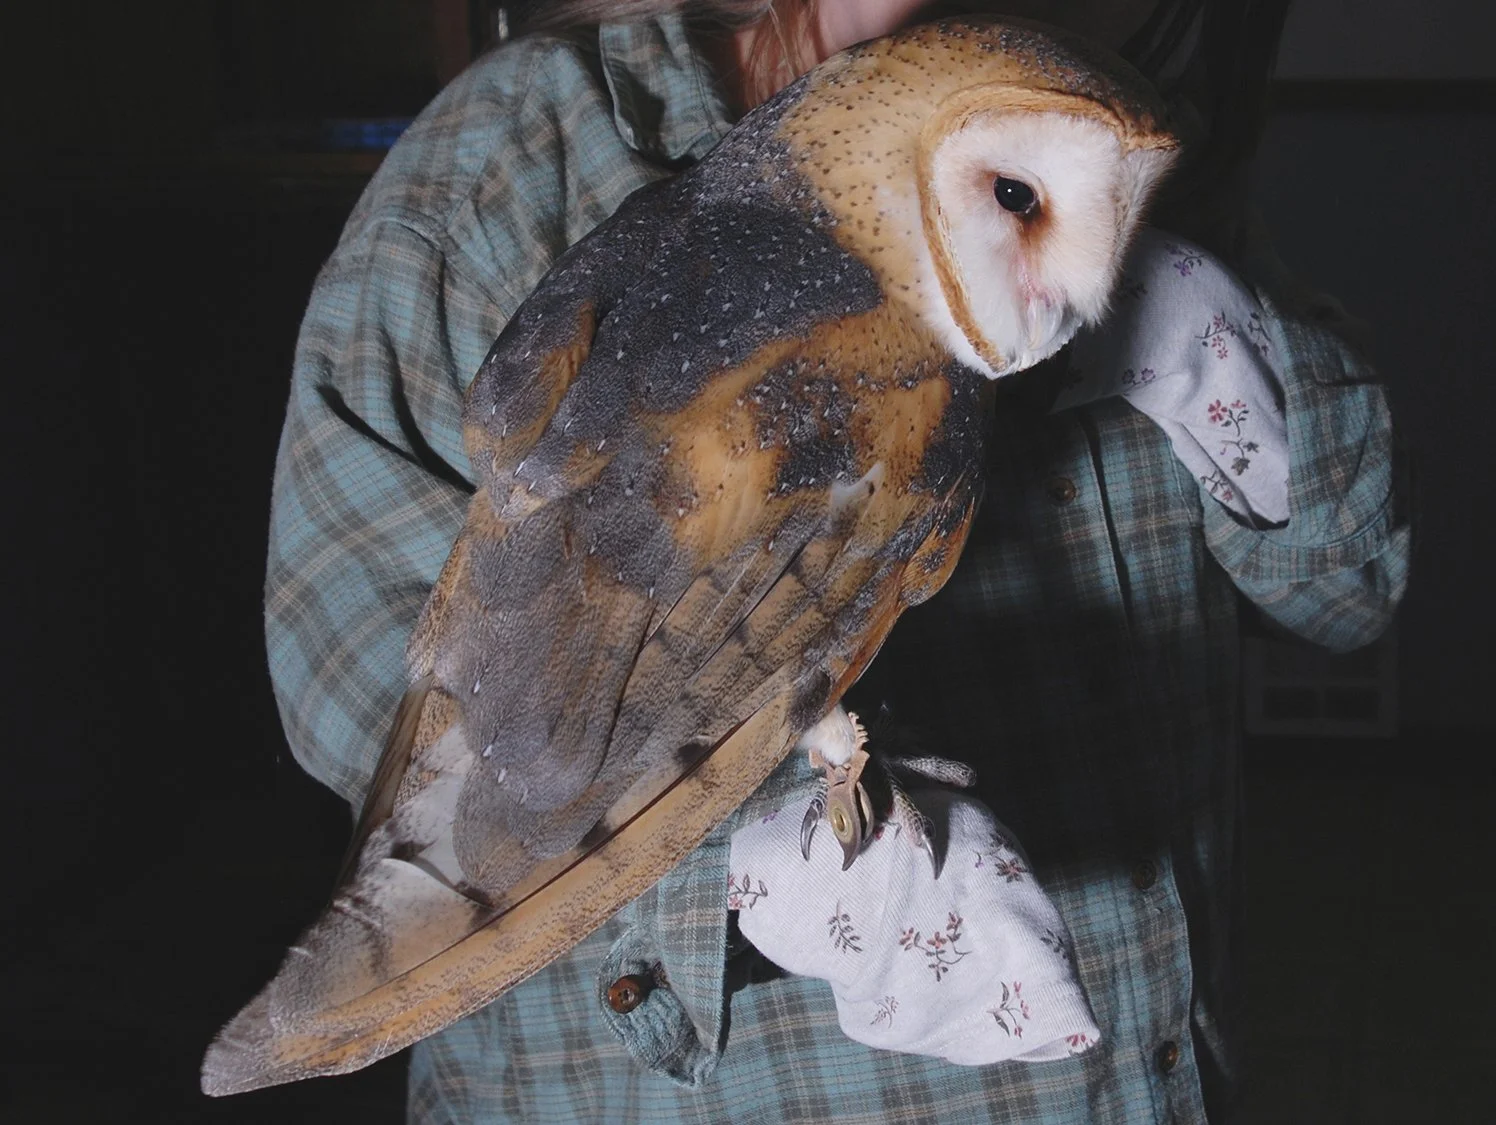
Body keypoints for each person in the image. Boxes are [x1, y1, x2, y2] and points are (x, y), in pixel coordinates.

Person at [264, 1, 1408, 1120]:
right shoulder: (533, 151)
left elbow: (1351, 591)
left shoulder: (1111, 124)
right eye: (1009, 197)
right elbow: (343, 641)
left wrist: (1229, 350)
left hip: (1125, 1069)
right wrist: (743, 848)